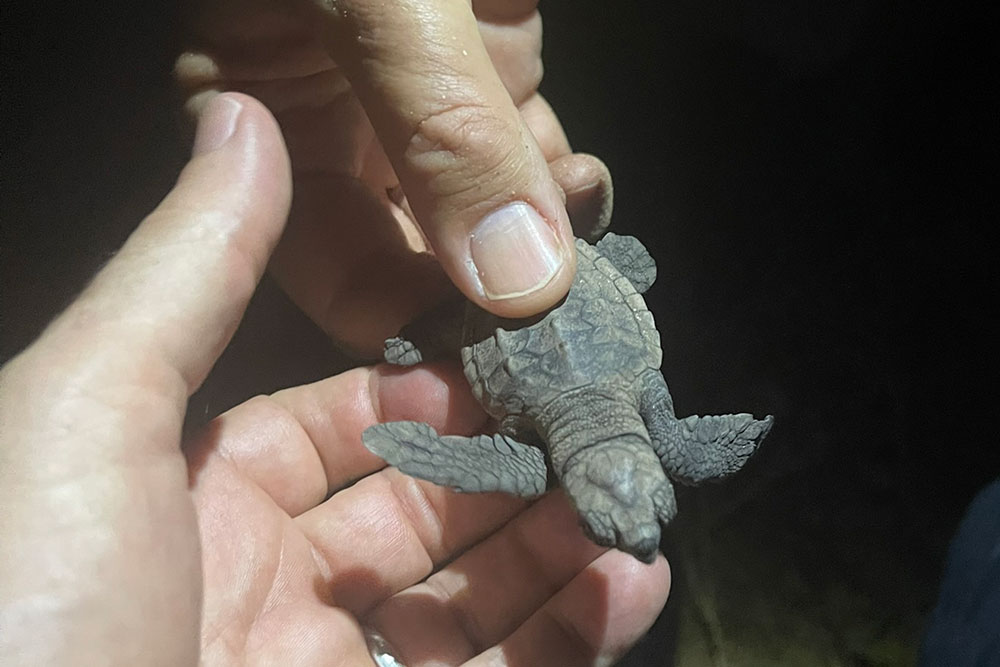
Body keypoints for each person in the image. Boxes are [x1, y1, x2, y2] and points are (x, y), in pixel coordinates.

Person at [0, 1, 670, 664]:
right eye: (623, 520)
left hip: (526, 301)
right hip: (504, 280)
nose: (638, 536)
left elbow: (500, 449)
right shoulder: (581, 435)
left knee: (497, 302)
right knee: (450, 312)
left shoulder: (550, 451)